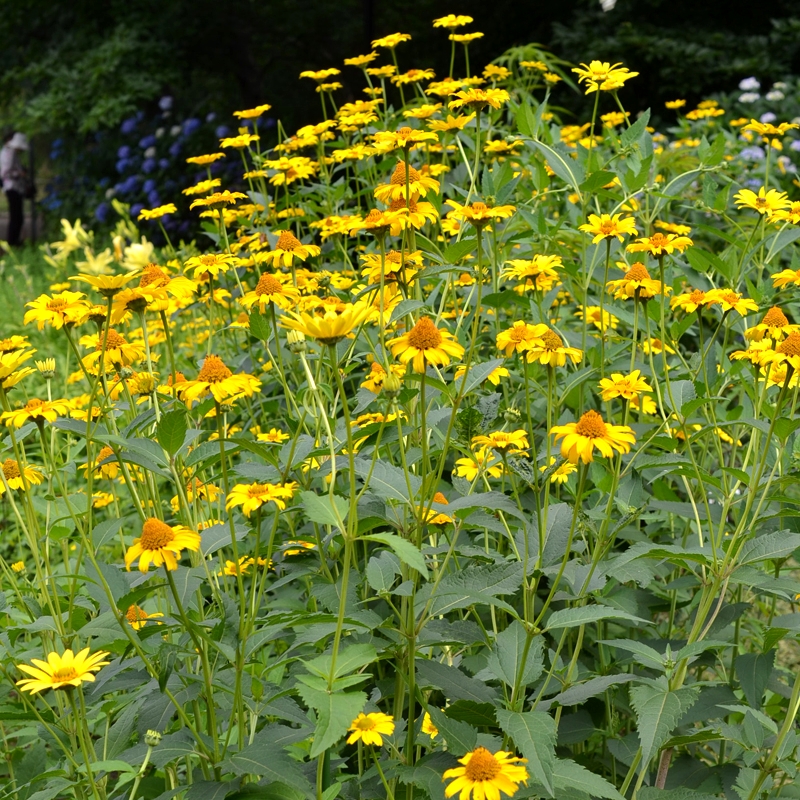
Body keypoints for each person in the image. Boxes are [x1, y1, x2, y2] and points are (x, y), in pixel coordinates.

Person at [0, 132, 29, 246]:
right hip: (12, 187)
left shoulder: (7, 152)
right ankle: (13, 242)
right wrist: (19, 173)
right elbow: (4, 173)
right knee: (16, 216)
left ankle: (14, 241)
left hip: (12, 187)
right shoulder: (9, 153)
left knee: (17, 216)